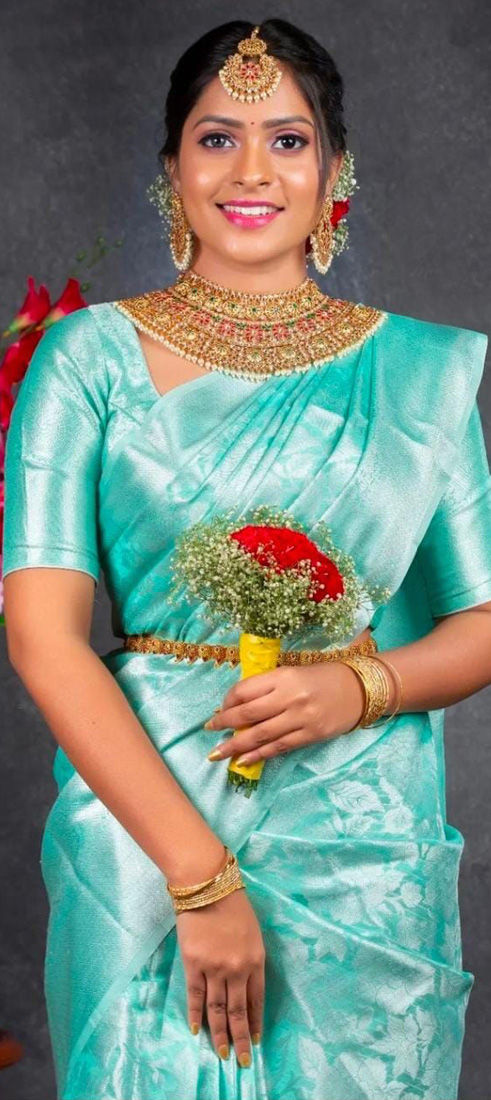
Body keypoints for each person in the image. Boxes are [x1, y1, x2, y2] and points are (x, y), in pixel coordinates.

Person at [3, 17, 491, 1100]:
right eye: (217, 138)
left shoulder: (416, 374)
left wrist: (359, 686)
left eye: (288, 139)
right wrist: (198, 875)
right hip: (148, 820)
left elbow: (480, 621)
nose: (252, 171)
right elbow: (42, 639)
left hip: (362, 837)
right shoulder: (88, 359)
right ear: (170, 170)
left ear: (334, 171)